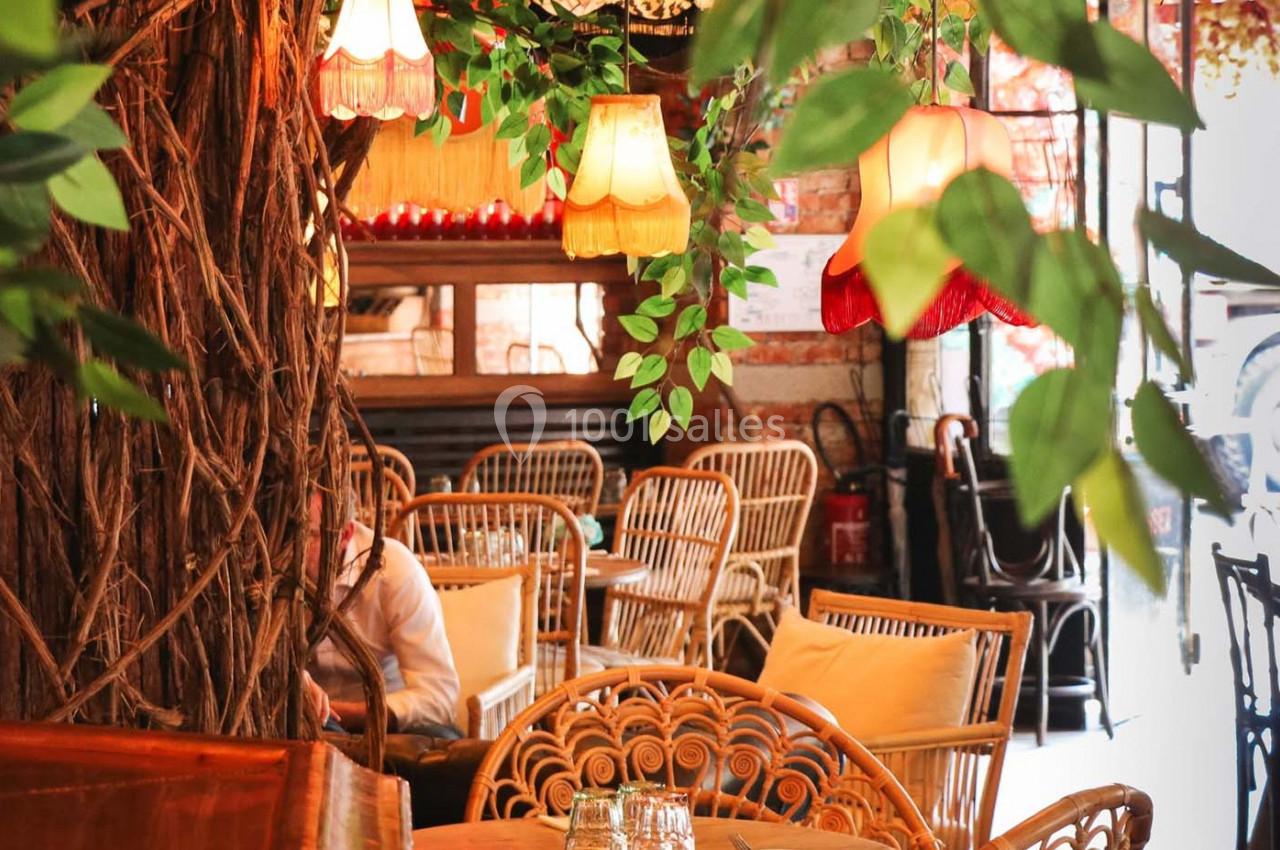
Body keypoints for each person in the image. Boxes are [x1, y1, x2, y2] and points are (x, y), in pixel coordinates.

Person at [305, 489, 461, 738]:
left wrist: (339, 712)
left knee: (441, 740)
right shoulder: (271, 571)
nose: (292, 548)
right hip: (311, 725)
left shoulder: (393, 571)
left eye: (307, 535)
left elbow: (438, 697)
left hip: (390, 722)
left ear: (344, 535)